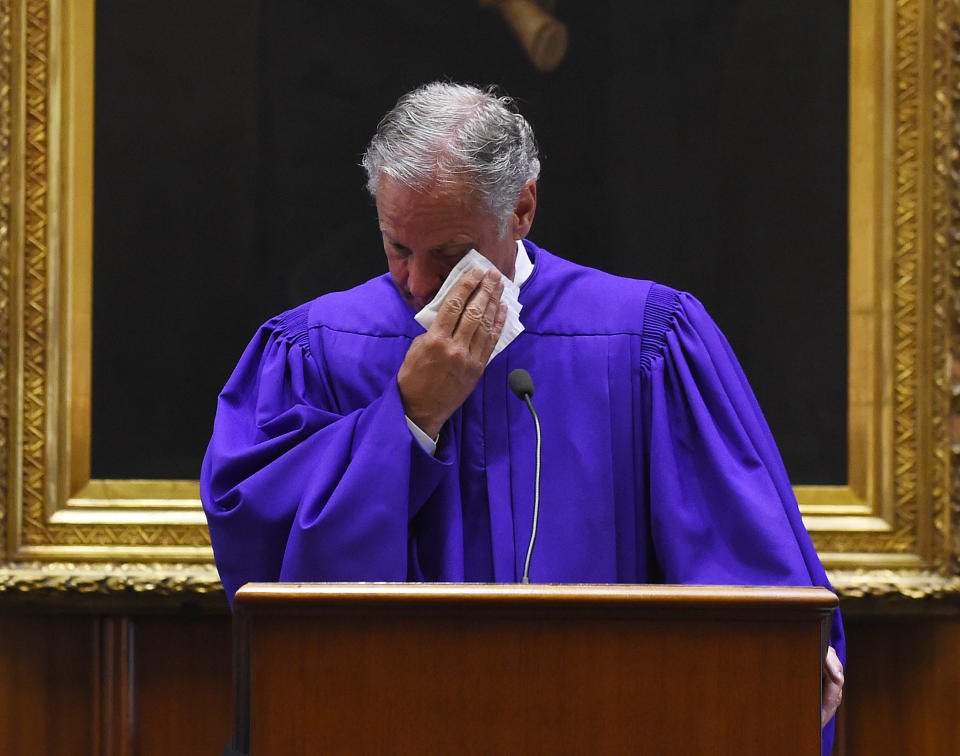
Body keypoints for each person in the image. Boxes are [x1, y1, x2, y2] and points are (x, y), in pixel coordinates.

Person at [201, 81, 845, 751]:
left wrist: (781, 652)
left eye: (448, 253)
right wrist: (408, 418)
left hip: (603, 723)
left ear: (522, 209)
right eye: (397, 248)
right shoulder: (315, 346)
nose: (419, 283)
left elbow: (734, 548)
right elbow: (262, 548)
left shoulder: (646, 341)